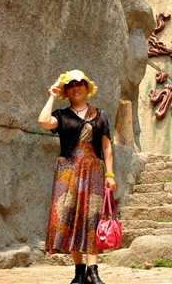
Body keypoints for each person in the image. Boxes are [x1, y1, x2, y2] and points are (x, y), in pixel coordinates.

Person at [38, 70, 116, 284]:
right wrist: (52, 96)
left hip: (93, 171)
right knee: (70, 218)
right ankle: (79, 272)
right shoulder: (62, 116)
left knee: (92, 218)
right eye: (71, 84)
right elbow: (44, 121)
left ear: (87, 88)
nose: (76, 86)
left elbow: (106, 147)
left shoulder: (100, 115)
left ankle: (93, 270)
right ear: (66, 91)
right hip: (68, 172)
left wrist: (110, 174)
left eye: (80, 82)